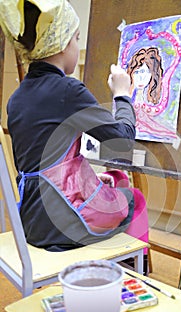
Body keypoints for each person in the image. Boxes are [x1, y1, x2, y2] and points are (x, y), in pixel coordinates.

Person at [0, 0, 149, 260]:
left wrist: (86, 180)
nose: (76, 47)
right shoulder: (68, 91)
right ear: (62, 44)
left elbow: (45, 163)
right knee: (134, 198)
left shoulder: (17, 98)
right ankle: (129, 278)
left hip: (32, 222)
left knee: (116, 178)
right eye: (76, 39)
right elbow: (123, 141)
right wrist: (122, 94)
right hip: (63, 223)